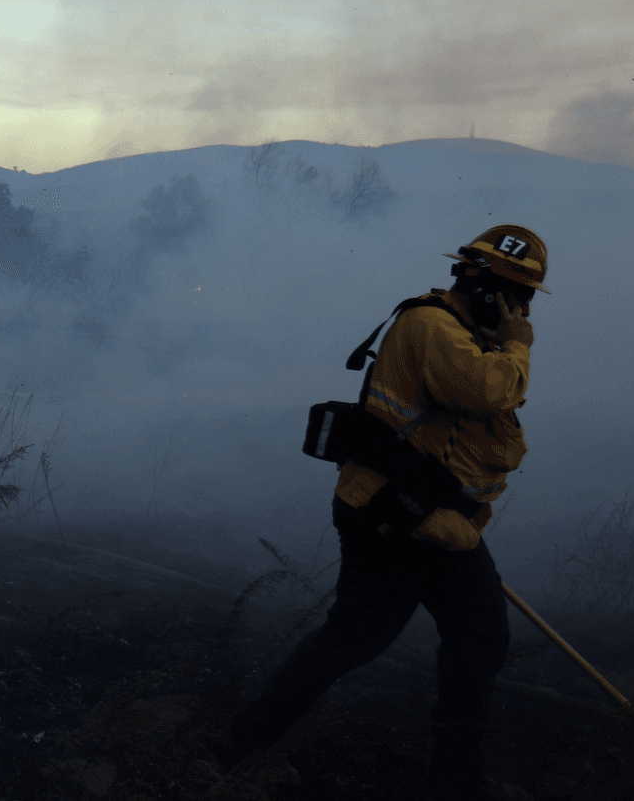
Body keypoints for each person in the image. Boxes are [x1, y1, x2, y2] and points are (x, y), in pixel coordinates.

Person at [208, 226, 549, 801]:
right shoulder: (433, 327)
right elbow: (489, 392)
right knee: (359, 639)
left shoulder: (468, 335)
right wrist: (518, 345)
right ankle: (237, 748)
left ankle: (453, 778)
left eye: (527, 299)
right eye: (516, 295)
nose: (522, 310)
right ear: (487, 290)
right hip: (395, 515)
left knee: (476, 638)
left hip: (438, 520)